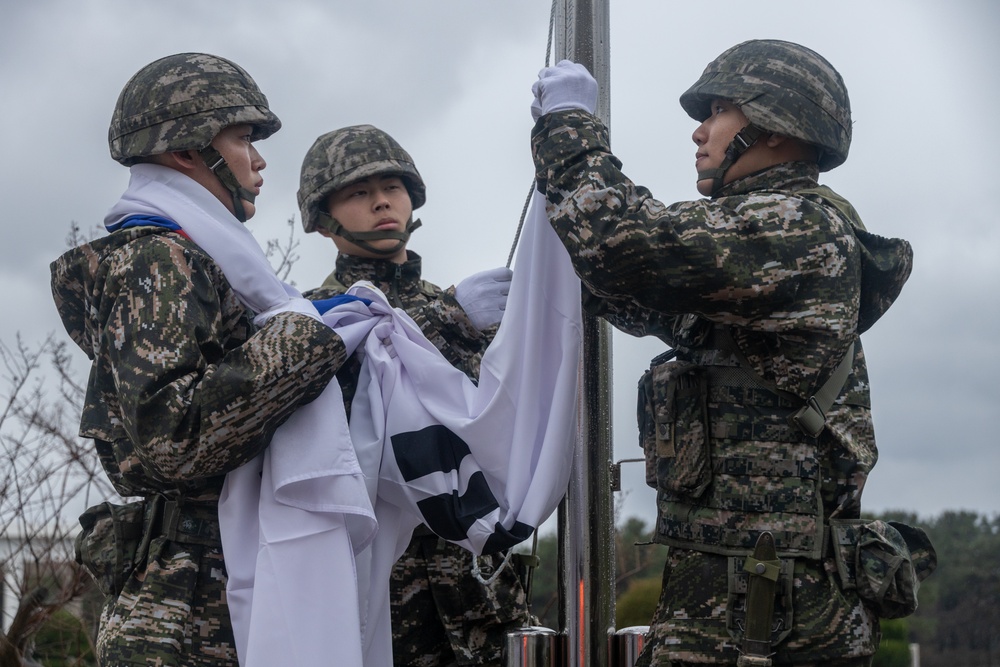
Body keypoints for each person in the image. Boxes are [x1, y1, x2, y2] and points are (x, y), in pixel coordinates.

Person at [529, 41, 935, 666]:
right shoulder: (763, 240)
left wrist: (569, 130)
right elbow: (640, 292)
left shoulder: (794, 226)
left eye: (718, 111)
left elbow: (627, 244)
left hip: (764, 606)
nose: (700, 132)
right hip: (745, 594)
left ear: (775, 127)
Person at [50, 53, 347, 666]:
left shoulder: (206, 260)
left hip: (215, 580)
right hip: (183, 614)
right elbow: (176, 441)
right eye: (243, 139)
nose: (259, 161)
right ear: (186, 152)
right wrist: (305, 339)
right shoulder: (155, 259)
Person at [296, 124, 532, 666]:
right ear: (321, 219)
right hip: (372, 582)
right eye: (358, 192)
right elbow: (342, 393)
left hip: (476, 589)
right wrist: (447, 318)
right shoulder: (306, 319)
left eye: (392, 187)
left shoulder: (477, 313)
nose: (382, 201)